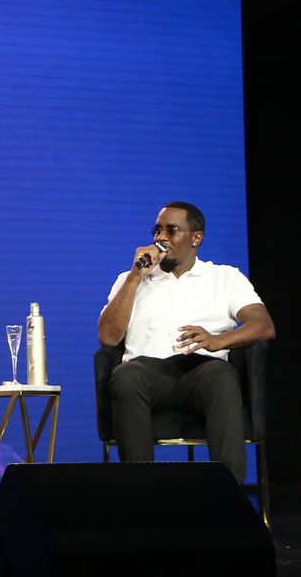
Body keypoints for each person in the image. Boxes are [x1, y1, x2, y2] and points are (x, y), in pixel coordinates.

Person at [97, 201, 276, 482]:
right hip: (147, 372)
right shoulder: (130, 279)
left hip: (203, 371)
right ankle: (141, 495)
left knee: (222, 377)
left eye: (171, 230)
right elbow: (108, 337)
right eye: (157, 230)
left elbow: (263, 325)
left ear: (196, 238)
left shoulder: (224, 277)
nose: (160, 238)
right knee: (124, 377)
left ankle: (227, 500)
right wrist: (135, 277)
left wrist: (219, 340)